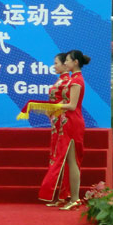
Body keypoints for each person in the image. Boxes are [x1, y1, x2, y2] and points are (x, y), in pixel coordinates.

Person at [39, 50, 89, 210]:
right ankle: (65, 196)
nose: (65, 63)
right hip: (66, 122)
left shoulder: (77, 80)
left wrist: (53, 106)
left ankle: (75, 198)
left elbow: (73, 105)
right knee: (66, 161)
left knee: (72, 161)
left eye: (67, 60)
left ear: (75, 62)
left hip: (73, 122)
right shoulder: (72, 79)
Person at [38, 52, 72, 206]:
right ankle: (59, 195)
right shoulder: (61, 81)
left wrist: (52, 109)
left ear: (65, 64)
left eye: (57, 63)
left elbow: (68, 103)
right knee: (56, 156)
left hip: (63, 123)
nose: (54, 66)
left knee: (61, 157)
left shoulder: (69, 82)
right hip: (56, 122)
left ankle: (64, 195)